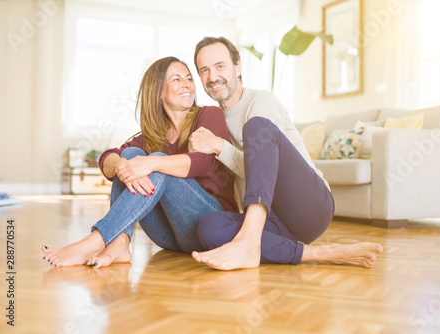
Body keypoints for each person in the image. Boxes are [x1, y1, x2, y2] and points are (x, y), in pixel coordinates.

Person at [189, 37, 383, 271]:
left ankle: (249, 240)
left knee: (257, 127)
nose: (212, 77)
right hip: (274, 222)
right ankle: (320, 253)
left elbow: (263, 168)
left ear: (238, 67)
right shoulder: (211, 119)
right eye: (204, 70)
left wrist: (218, 146)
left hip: (310, 206)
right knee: (209, 227)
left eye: (220, 66)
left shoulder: (261, 102)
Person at [42, 57, 237, 268]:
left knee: (156, 161)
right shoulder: (152, 137)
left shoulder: (209, 115)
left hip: (209, 221)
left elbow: (203, 163)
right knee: (130, 155)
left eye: (189, 78)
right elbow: (107, 157)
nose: (187, 84)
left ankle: (97, 240)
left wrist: (152, 164)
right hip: (170, 237)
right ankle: (120, 242)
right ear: (158, 91)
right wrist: (120, 166)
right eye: (177, 79)